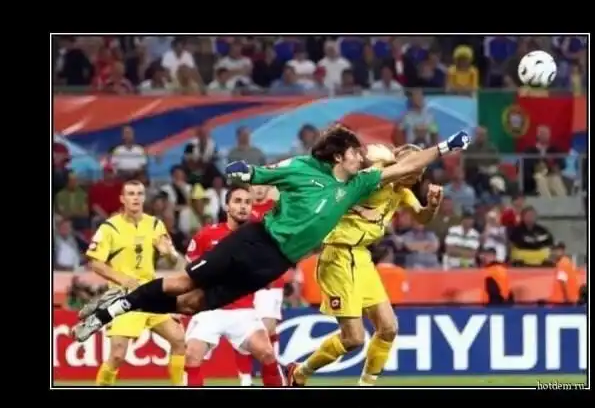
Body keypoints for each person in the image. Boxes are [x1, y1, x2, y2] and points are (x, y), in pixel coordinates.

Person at [73, 125, 471, 342]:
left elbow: (405, 167)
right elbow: (260, 175)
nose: (362, 156)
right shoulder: (303, 169)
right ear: (339, 156)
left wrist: (445, 147)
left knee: (193, 305)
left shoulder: (359, 184)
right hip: (255, 240)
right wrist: (244, 172)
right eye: (355, 152)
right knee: (184, 282)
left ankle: (125, 303)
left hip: (275, 263)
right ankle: (108, 312)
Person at [287, 144, 443, 387]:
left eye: (420, 171)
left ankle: (366, 385)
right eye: (413, 168)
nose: (416, 175)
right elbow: (364, 159)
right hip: (337, 255)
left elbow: (421, 217)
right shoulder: (373, 180)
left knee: (389, 328)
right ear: (397, 165)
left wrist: (432, 206)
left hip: (362, 258)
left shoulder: (402, 192)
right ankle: (299, 372)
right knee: (353, 339)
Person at [84, 180, 186, 386]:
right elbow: (95, 263)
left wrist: (169, 254)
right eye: (131, 194)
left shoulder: (155, 224)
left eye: (139, 193)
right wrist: (122, 279)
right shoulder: (110, 228)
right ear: (122, 199)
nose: (136, 198)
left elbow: (174, 260)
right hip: (124, 297)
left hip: (150, 295)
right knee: (117, 355)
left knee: (178, 340)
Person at [183, 184, 284, 387]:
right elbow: (189, 270)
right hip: (210, 309)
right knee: (192, 355)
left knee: (267, 353)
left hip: (243, 311)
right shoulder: (207, 235)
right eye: (237, 201)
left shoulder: (260, 238)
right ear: (227, 206)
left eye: (247, 202)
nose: (243, 206)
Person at [233, 184, 286, 386]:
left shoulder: (277, 207)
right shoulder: (241, 209)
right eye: (255, 185)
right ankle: (245, 380)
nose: (259, 189)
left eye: (264, 185)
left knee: (268, 328)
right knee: (242, 329)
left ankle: (272, 377)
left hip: (271, 279)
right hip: (244, 278)